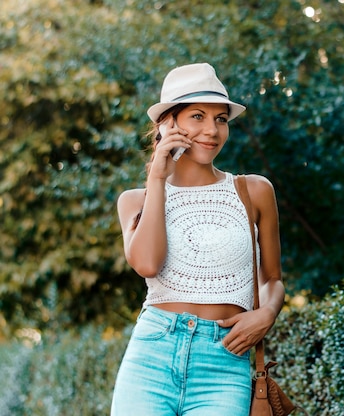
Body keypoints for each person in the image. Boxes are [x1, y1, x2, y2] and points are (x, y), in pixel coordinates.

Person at [111, 63, 285, 415]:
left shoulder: (254, 191)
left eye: (221, 119)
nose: (212, 130)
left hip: (225, 359)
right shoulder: (136, 200)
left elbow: (272, 278)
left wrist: (267, 312)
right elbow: (147, 263)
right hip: (151, 356)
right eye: (197, 116)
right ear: (167, 124)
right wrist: (158, 178)